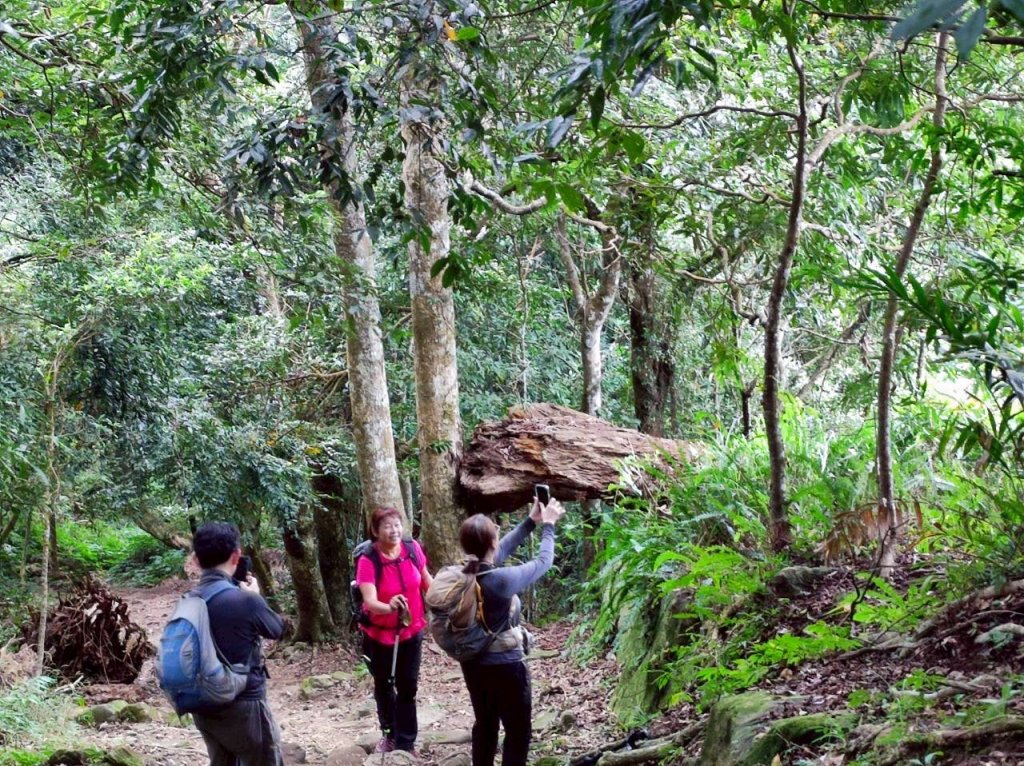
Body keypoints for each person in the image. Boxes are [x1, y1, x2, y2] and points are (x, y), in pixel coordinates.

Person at [458, 497, 566, 766]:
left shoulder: (464, 573)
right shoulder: (500, 581)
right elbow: (543, 562)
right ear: (491, 543)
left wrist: (531, 522)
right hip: (505, 667)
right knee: (517, 730)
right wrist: (549, 526)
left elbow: (499, 550)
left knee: (485, 724)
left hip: (473, 664)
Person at [189, 522, 288, 766]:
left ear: (196, 560)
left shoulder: (188, 600)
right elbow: (277, 629)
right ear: (236, 556)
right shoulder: (245, 600)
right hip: (244, 704)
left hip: (203, 704)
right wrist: (254, 595)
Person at [356, 506, 433, 755]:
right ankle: (389, 734)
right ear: (376, 531)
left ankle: (406, 742)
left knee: (408, 685)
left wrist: (445, 601)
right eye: (387, 526)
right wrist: (389, 607)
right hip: (380, 635)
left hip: (411, 631)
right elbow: (369, 602)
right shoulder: (369, 559)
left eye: (397, 524)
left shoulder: (412, 549)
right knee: (384, 685)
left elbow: (425, 580)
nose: (394, 530)